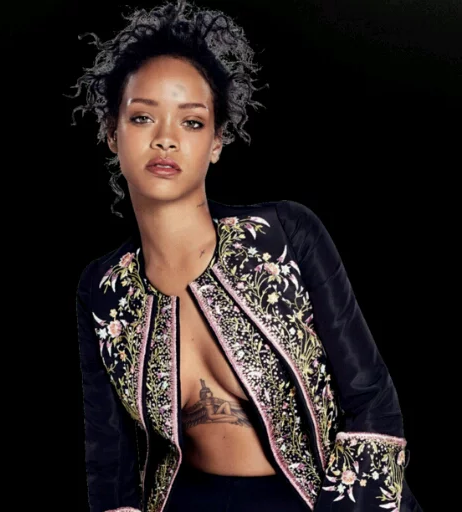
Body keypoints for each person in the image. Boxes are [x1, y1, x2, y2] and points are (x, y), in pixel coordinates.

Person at [70, 1, 423, 511]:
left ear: (217, 142)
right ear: (111, 132)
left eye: (192, 123)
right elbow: (111, 463)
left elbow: (373, 404)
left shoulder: (286, 235)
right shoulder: (101, 289)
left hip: (323, 500)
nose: (165, 139)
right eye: (142, 117)